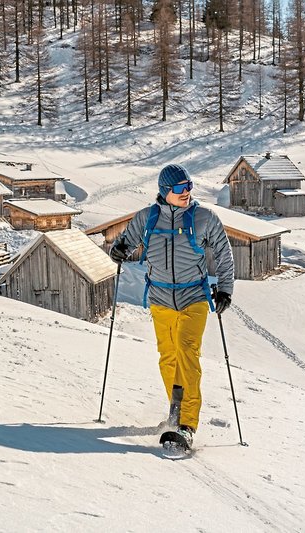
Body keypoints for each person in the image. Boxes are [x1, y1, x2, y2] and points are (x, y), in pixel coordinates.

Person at [109, 163, 234, 449]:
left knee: (187, 354)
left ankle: (187, 424)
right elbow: (124, 243)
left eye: (189, 185)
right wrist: (119, 250)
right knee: (168, 358)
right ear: (165, 191)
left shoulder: (204, 218)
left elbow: (224, 253)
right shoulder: (147, 218)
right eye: (180, 188)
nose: (187, 191)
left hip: (194, 298)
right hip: (161, 300)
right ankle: (174, 411)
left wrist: (225, 289)